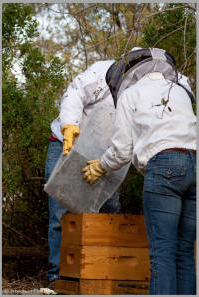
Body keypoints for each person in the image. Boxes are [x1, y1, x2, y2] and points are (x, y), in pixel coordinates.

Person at [82, 48, 196, 295]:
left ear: (128, 71)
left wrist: (101, 166)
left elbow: (122, 150)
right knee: (185, 252)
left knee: (163, 252)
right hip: (195, 167)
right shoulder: (180, 91)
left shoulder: (131, 94)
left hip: (164, 169)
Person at [45, 58, 123, 287]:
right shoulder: (103, 71)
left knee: (109, 208)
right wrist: (69, 125)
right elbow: (75, 92)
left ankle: (104, 274)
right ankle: (58, 279)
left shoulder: (142, 91)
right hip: (66, 143)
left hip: (103, 155)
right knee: (61, 212)